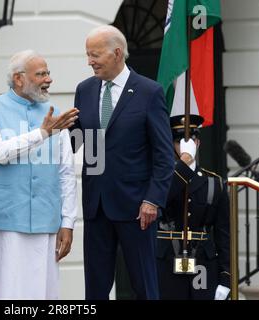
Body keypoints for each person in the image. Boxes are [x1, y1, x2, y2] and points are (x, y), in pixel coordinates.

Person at [70, 25, 174, 300]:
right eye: (87, 55)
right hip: (96, 205)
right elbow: (79, 142)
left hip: (137, 208)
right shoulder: (84, 90)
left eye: (94, 55)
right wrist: (51, 131)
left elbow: (164, 155)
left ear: (117, 53)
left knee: (144, 285)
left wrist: (153, 199)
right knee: (95, 288)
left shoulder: (149, 92)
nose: (89, 61)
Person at [0, 50, 79, 300]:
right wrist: (41, 133)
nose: (48, 79)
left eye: (48, 72)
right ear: (19, 79)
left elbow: (65, 172)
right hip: (1, 220)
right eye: (41, 74)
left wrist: (68, 222)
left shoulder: (55, 114)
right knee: (0, 291)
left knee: (40, 293)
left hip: (45, 221)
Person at [156, 114, 230, 300]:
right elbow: (159, 200)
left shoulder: (214, 183)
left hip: (203, 264)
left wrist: (226, 277)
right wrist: (184, 164)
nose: (184, 146)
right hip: (165, 263)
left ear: (198, 143)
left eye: (190, 140)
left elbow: (224, 235)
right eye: (179, 141)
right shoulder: (160, 180)